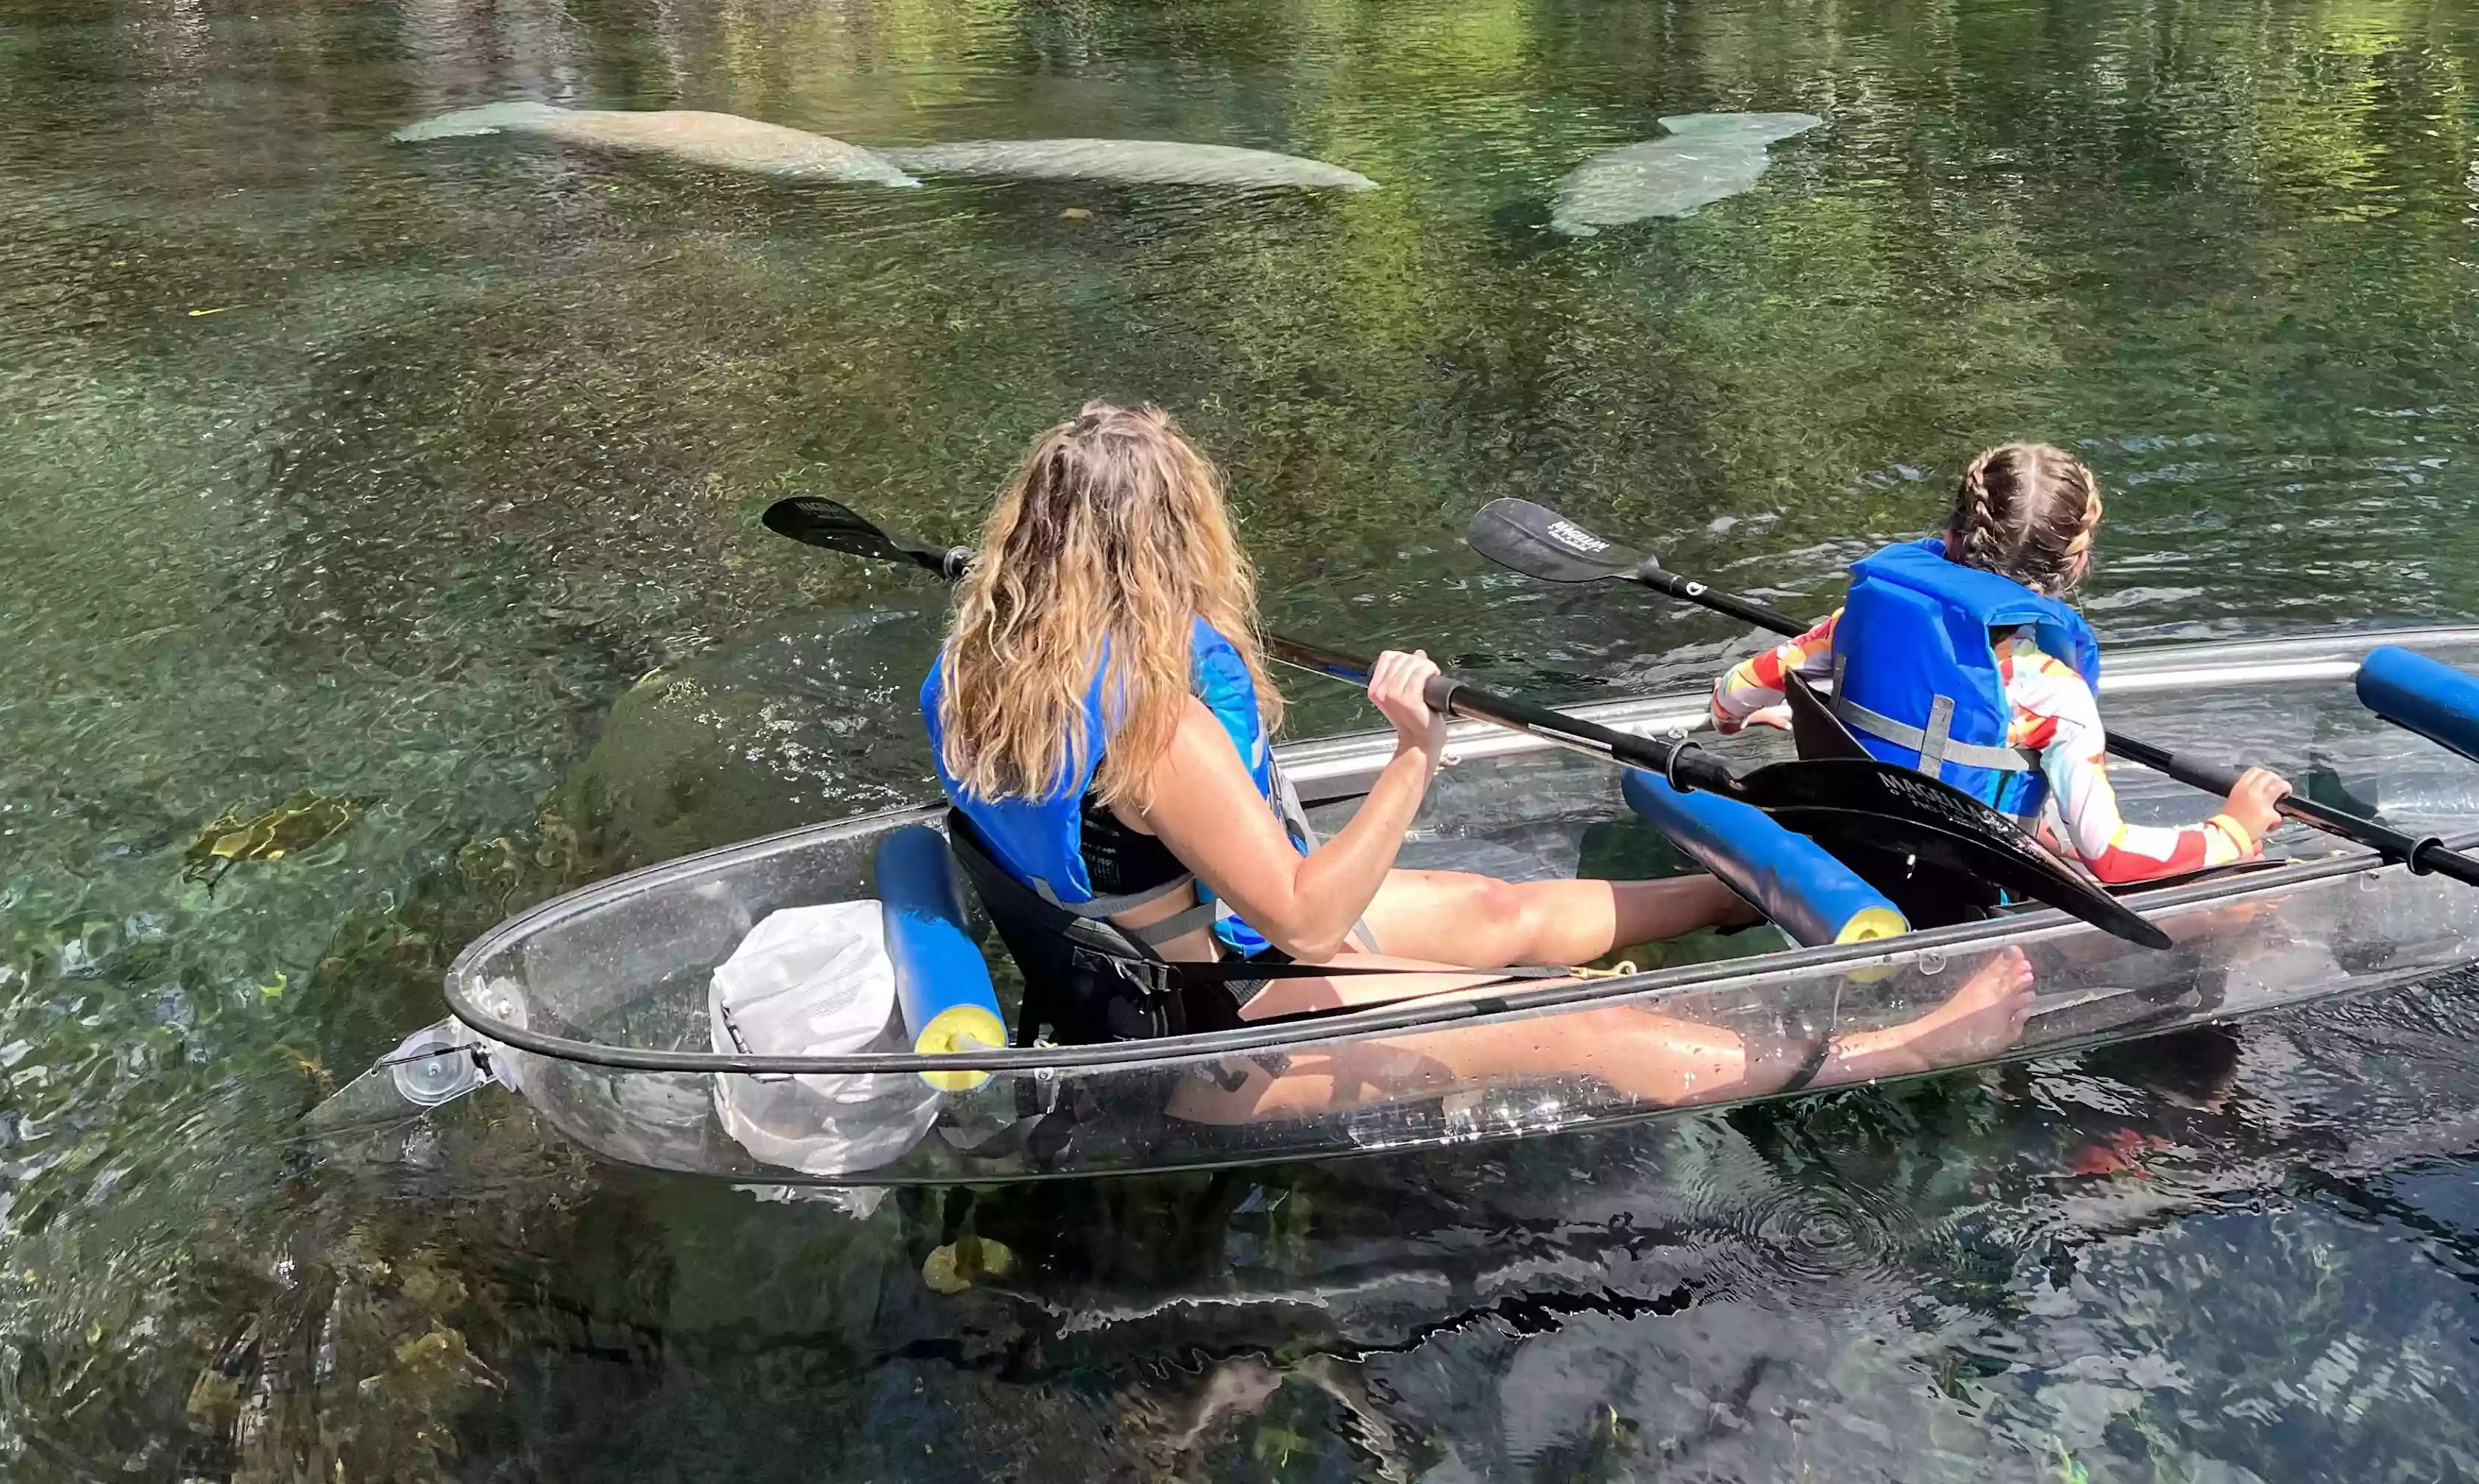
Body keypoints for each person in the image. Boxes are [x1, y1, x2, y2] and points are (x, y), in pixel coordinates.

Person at [922, 401, 2034, 1112]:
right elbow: (1308, 921)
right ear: (1179, 541)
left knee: (1501, 912)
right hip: (1213, 1051)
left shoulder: (984, 662)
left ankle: (1756, 887)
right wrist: (1416, 751)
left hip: (1162, 963)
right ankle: (1911, 1046)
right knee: (1580, 1024)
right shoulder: (1155, 728)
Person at [1709, 441, 2292, 888]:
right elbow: (2112, 857)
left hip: (1847, 846)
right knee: (2244, 904)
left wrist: (1762, 717)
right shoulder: (2055, 696)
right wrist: (2233, 830)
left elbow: (1731, 697)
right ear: (2077, 564)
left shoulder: (1849, 626)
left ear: (1951, 538)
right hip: (1969, 884)